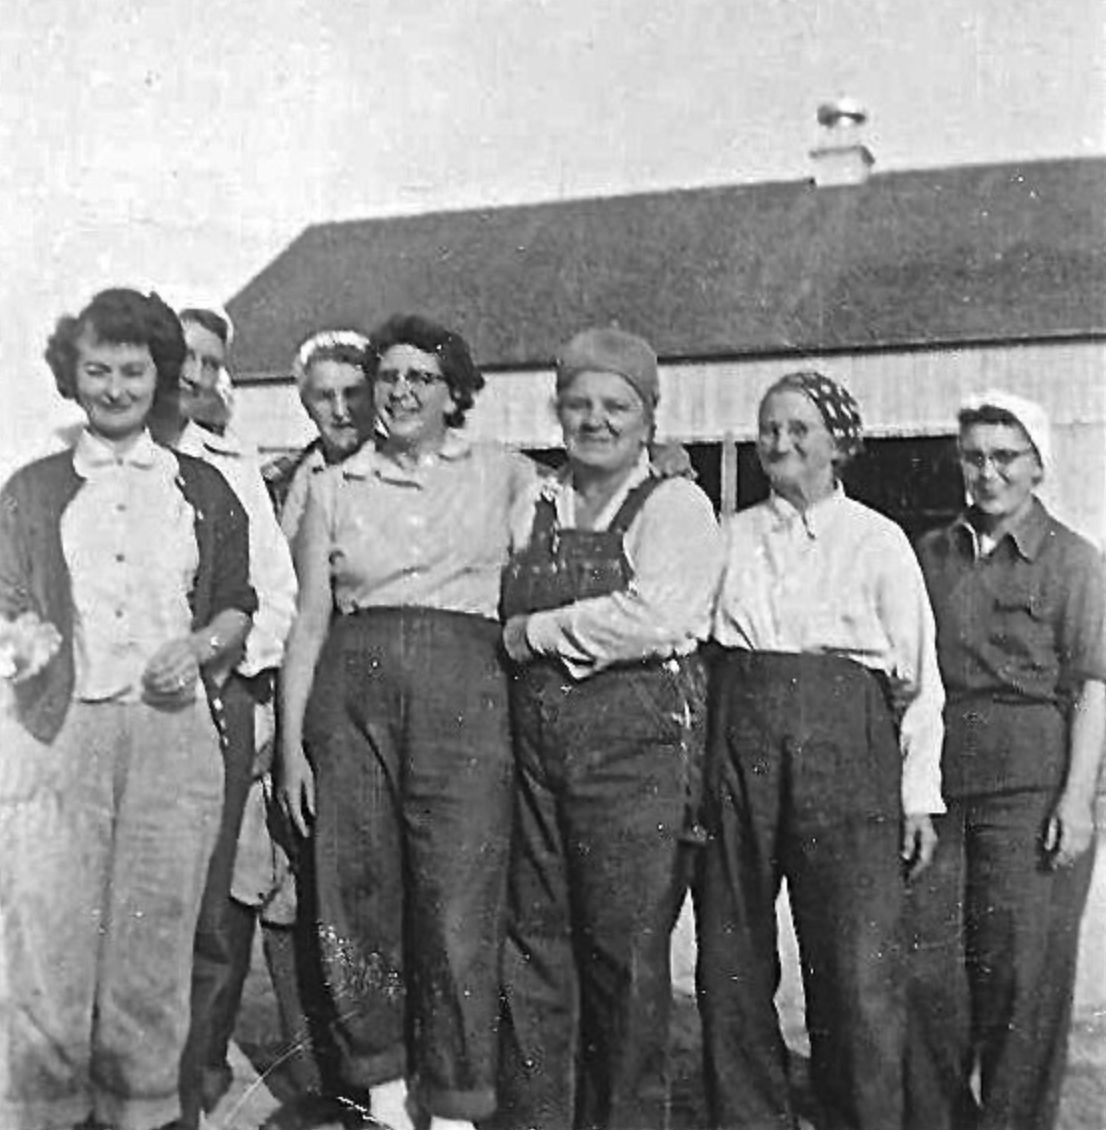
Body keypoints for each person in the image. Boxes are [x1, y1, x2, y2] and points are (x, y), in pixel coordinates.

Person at [0, 288, 256, 1130]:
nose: (115, 388)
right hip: (57, 735)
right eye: (97, 370)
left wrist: (201, 648)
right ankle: (43, 1114)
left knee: (151, 948)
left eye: (133, 371)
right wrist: (23, 634)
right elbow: (4, 599)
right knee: (47, 941)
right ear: (71, 376)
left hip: (171, 740)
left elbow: (237, 605)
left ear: (161, 376)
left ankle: (140, 1115)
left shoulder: (203, 487)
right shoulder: (32, 487)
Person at [278, 313, 541, 1130]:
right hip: (351, 693)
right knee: (357, 891)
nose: (399, 392)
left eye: (420, 378)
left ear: (454, 393)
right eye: (387, 377)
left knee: (459, 898)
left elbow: (565, 542)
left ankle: (456, 1100)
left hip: (467, 691)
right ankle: (384, 1090)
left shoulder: (506, 473)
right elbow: (308, 622)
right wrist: (290, 747)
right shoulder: (334, 486)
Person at [696, 370, 945, 1130]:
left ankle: (861, 1114)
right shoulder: (729, 536)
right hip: (739, 732)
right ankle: (749, 1116)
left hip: (847, 743)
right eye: (769, 429)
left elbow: (919, 679)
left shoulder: (878, 540)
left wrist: (917, 795)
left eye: (799, 429)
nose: (780, 442)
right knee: (731, 948)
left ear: (838, 444)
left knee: (855, 956)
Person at [494, 326, 723, 1129]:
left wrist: (537, 632)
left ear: (648, 416)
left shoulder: (675, 504)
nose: (595, 421)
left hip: (634, 747)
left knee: (623, 956)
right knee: (533, 944)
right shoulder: (535, 499)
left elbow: (660, 615)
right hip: (534, 744)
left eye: (615, 406)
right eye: (578, 404)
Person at [905, 390, 1106, 1130]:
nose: (988, 473)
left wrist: (1076, 800)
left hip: (1032, 793)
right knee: (928, 976)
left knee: (1022, 982)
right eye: (975, 458)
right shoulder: (931, 554)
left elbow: (1095, 686)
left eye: (1006, 457)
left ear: (1038, 466)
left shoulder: (1075, 561)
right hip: (940, 788)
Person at [158, 304, 298, 1127]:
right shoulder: (89, 457)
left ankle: (197, 1075)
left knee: (215, 908)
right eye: (183, 355)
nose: (195, 373)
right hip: (125, 708)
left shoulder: (232, 470)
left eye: (211, 363)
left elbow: (275, 596)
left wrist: (222, 665)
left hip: (220, 699)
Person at [264, 329, 377, 543]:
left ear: (375, 397)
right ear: (306, 405)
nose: (340, 411)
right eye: (325, 397)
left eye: (352, 394)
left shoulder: (413, 472)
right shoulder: (275, 482)